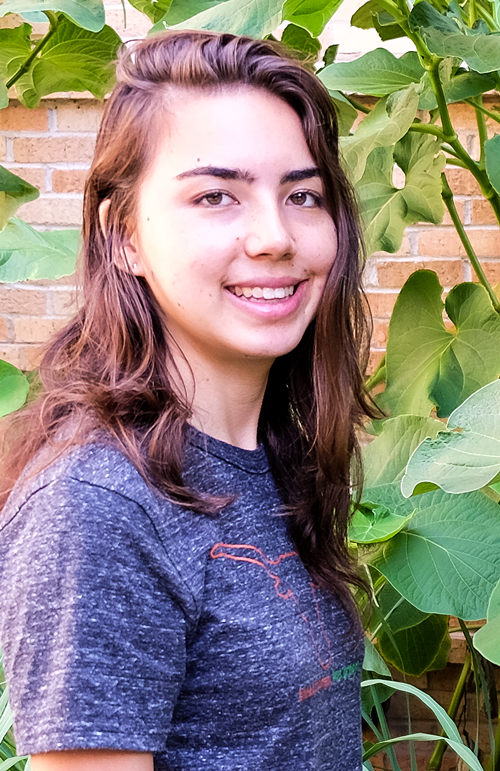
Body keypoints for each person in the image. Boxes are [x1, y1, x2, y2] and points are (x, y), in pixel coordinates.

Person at [0, 30, 375, 771]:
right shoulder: (100, 503)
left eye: (302, 195)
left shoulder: (268, 455)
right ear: (125, 236)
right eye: (215, 196)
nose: (275, 236)